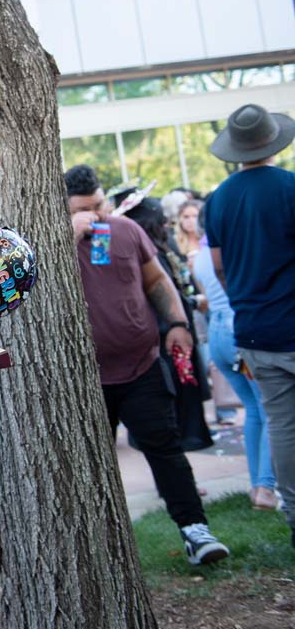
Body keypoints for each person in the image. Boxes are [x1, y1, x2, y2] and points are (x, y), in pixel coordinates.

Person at [65, 164, 229, 564]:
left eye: (101, 204)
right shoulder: (48, 248)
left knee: (165, 449)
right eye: (86, 208)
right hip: (86, 380)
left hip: (142, 367)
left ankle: (195, 530)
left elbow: (155, 280)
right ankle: (99, 552)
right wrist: (67, 235)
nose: (99, 214)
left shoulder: (126, 230)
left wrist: (176, 323)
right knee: (88, 467)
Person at [203, 103, 295, 542]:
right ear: (274, 143)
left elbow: (219, 267)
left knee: (281, 424)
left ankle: (293, 514)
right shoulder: (290, 187)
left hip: (254, 330)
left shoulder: (218, 199)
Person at [190, 211, 278, 510]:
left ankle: (258, 484)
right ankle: (265, 487)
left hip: (218, 335)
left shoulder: (200, 256)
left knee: (254, 410)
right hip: (238, 331)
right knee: (267, 410)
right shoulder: (229, 250)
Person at [122, 197, 213, 453]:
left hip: (172, 330)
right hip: (163, 338)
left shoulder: (160, 248)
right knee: (175, 399)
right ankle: (185, 440)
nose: (166, 222)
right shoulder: (147, 252)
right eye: (160, 218)